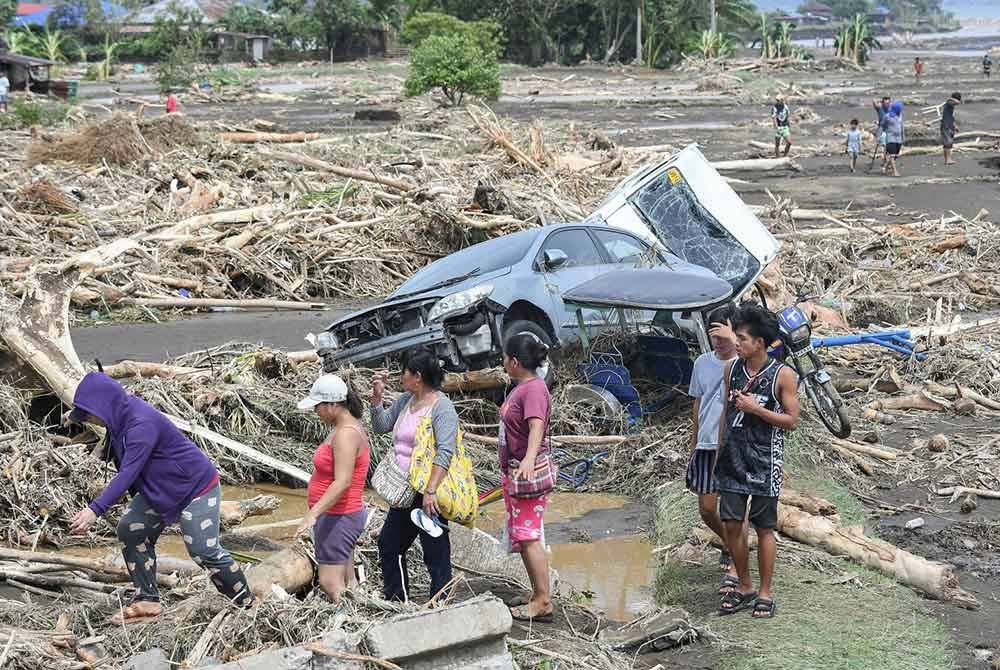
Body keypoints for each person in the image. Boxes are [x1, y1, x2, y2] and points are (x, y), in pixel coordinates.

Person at [67, 373, 254, 624]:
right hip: (161, 490)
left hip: (196, 488)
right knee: (132, 529)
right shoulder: (118, 418)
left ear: (104, 406)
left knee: (203, 550)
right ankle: (147, 600)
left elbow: (127, 474)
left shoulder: (140, 424)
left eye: (90, 415)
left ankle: (247, 604)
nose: (91, 421)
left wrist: (94, 510)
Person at [715, 304, 800, 619]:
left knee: (764, 527)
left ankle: (765, 592)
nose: (736, 343)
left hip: (766, 459)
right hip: (733, 458)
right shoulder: (731, 369)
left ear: (760, 343)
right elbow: (726, 412)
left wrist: (756, 410)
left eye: (742, 338)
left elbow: (791, 420)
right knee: (732, 524)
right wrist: (718, 451)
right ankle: (745, 585)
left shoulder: (783, 376)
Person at [371, 347, 459, 602]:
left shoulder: (442, 408)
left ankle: (440, 602)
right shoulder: (405, 401)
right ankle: (397, 600)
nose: (401, 378)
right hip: (404, 490)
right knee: (389, 544)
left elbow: (445, 451)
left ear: (417, 376)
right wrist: (377, 400)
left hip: (429, 491)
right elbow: (381, 426)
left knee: (435, 550)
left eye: (404, 373)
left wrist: (431, 490)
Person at [297, 374, 371, 602]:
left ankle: (348, 627)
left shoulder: (346, 434)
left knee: (330, 582)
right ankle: (358, 618)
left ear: (332, 404)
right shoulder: (343, 428)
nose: (316, 411)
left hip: (340, 516)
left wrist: (313, 513)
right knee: (348, 581)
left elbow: (342, 481)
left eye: (318, 406)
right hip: (339, 516)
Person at [686, 304, 742, 595]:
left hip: (734, 447)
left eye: (723, 334)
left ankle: (736, 559)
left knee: (735, 511)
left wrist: (734, 343)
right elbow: (698, 403)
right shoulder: (702, 363)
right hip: (707, 445)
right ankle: (729, 543)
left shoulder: (744, 365)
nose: (718, 341)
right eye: (714, 336)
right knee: (707, 509)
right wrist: (694, 441)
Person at [499, 333, 554, 622]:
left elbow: (536, 426)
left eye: (505, 357)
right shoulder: (522, 387)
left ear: (515, 362)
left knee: (529, 536)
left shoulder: (533, 390)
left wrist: (529, 459)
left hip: (526, 472)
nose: (503, 362)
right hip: (517, 471)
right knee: (523, 535)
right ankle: (537, 593)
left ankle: (543, 600)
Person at [881, 101, 905, 177]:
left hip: (899, 139)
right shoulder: (887, 116)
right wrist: (881, 135)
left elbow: (902, 127)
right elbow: (882, 125)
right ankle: (895, 171)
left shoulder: (900, 116)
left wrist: (903, 136)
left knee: (895, 156)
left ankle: (886, 167)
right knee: (892, 155)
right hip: (890, 138)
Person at [941, 92, 962, 166]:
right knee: (947, 142)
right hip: (946, 126)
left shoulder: (951, 106)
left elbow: (951, 117)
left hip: (950, 125)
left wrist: (955, 126)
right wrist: (954, 99)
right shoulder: (949, 103)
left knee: (949, 143)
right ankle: (947, 160)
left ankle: (949, 159)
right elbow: (957, 102)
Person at [870, 96, 891, 170]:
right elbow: (874, 100)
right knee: (884, 146)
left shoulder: (891, 109)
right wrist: (881, 101)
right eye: (886, 103)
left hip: (889, 129)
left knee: (889, 146)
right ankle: (884, 162)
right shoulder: (880, 108)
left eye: (888, 103)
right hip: (882, 129)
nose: (887, 105)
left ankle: (886, 162)